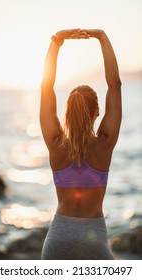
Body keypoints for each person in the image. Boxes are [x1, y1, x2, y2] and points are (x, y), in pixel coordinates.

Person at [40, 29, 122, 260]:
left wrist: (56, 41)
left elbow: (46, 88)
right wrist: (102, 38)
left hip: (58, 240)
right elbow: (114, 85)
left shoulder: (56, 144)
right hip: (93, 239)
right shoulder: (104, 144)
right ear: (97, 112)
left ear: (68, 113)